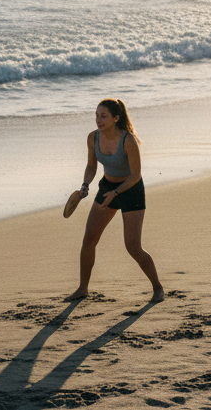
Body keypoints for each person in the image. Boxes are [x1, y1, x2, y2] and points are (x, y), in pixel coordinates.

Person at [65, 99, 164, 303]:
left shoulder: (128, 141)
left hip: (131, 190)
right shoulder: (93, 138)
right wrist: (85, 185)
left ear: (115, 118)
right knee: (89, 238)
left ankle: (157, 287)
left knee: (133, 246)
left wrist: (116, 193)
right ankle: (83, 288)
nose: (98, 120)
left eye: (103, 116)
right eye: (96, 115)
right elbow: (92, 166)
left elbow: (135, 175)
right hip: (107, 188)